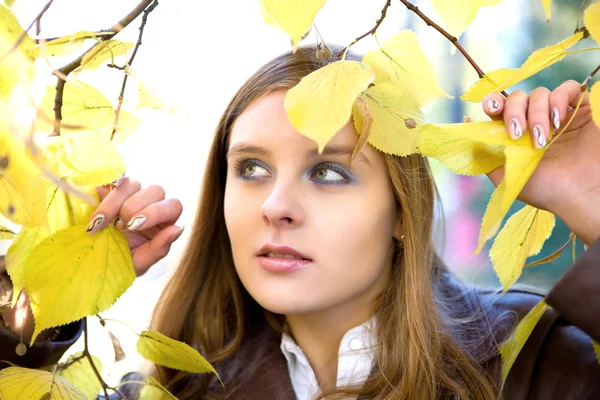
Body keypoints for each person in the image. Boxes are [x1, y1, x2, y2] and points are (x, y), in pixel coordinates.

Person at [1, 45, 600, 399]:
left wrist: (592, 201)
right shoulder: (176, 389)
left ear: (400, 213)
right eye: (252, 168)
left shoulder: (532, 365)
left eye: (329, 173)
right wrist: (38, 300)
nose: (274, 205)